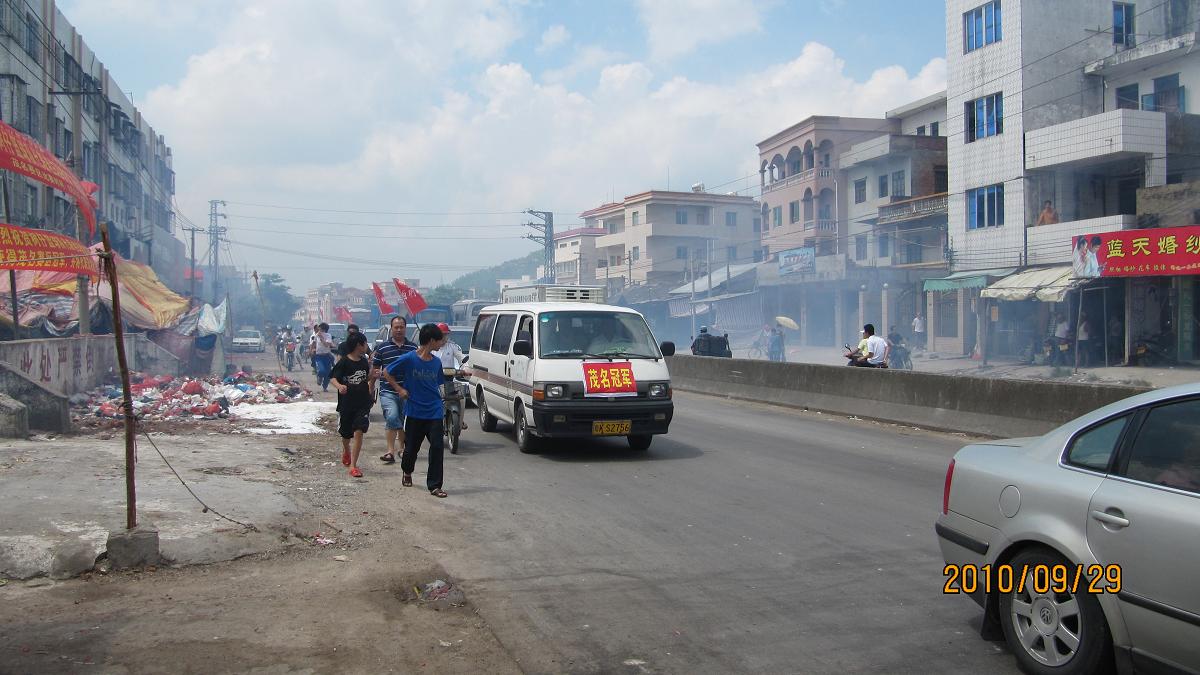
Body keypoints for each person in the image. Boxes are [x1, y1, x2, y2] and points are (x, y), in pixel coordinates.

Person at [381, 323, 450, 498]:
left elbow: (439, 384)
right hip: (414, 411)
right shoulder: (409, 358)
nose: (441, 343)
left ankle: (435, 485)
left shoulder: (436, 362)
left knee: (437, 447)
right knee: (411, 448)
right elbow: (387, 372)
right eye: (439, 340)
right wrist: (399, 389)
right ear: (431, 340)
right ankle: (407, 471)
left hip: (434, 410)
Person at [371, 316, 416, 463]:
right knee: (392, 416)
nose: (399, 330)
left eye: (401, 327)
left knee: (403, 420)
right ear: (391, 329)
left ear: (405, 328)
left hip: (407, 392)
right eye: (396, 327)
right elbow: (375, 370)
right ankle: (390, 451)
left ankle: (402, 448)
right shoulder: (382, 348)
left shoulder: (413, 348)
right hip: (387, 391)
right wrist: (370, 388)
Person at [330, 332, 375, 478]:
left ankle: (353, 465)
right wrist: (340, 387)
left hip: (362, 403)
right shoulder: (344, 362)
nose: (367, 346)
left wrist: (373, 376)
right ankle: (346, 450)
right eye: (365, 344)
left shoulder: (364, 362)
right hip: (347, 404)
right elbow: (333, 378)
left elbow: (365, 378)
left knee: (359, 430)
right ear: (358, 345)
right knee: (346, 434)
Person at [434, 322, 467, 431]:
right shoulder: (431, 348)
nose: (443, 337)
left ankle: (460, 421)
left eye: (445, 334)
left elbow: (462, 359)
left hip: (448, 381)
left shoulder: (452, 347)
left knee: (461, 399)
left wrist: (465, 369)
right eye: (441, 334)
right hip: (433, 382)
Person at [313, 322, 336, 392]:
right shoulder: (317, 335)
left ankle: (325, 387)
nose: (318, 330)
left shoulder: (328, 335)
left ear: (323, 329)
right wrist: (311, 350)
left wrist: (321, 338)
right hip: (318, 356)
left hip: (326, 356)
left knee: (328, 374)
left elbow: (326, 345)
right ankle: (319, 377)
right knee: (321, 370)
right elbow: (314, 343)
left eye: (319, 328)